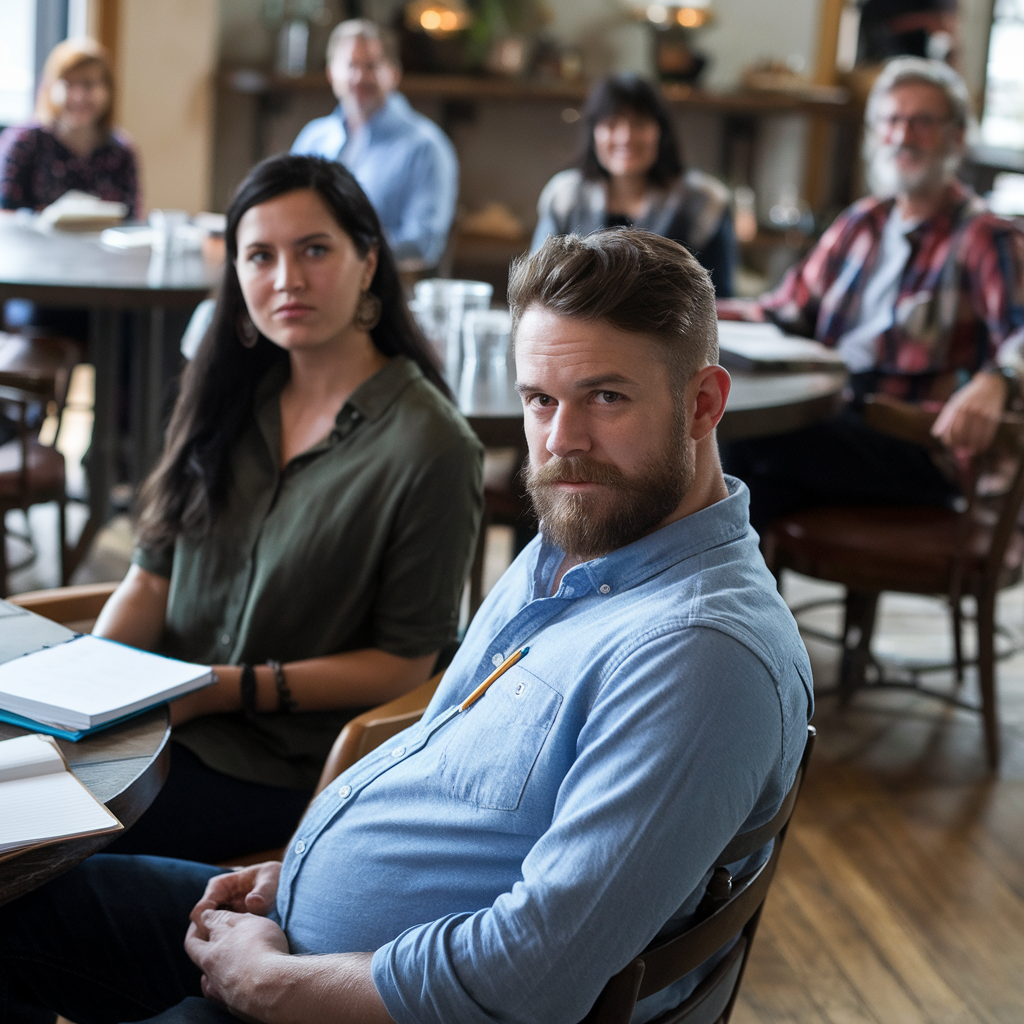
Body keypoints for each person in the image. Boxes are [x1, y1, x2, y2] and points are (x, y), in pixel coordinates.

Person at [0, 228, 812, 1024]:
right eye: (540, 400)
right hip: (305, 941)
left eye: (607, 397)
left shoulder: (700, 656)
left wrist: (272, 984)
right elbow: (458, 782)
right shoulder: (577, 545)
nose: (562, 442)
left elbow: (528, 980)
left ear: (702, 403)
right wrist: (299, 875)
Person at [88, 153, 482, 864]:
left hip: (287, 765)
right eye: (260, 256)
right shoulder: (226, 392)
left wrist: (220, 690)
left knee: (50, 856)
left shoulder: (432, 445)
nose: (287, 279)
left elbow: (404, 664)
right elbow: (148, 581)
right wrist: (90, 689)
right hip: (159, 725)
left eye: (314, 251)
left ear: (368, 262)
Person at [720, 57, 1024, 534]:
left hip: (921, 445)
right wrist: (688, 314)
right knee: (740, 495)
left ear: (957, 137)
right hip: (838, 420)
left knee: (736, 442)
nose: (903, 135)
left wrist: (999, 379)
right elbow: (782, 310)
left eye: (923, 122)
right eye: (891, 120)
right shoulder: (861, 222)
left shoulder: (985, 237)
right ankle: (733, 584)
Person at [532, 73, 736, 296]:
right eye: (611, 123)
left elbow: (720, 297)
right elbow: (538, 288)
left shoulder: (703, 201)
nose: (625, 137)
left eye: (639, 123)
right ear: (593, 132)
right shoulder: (565, 196)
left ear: (661, 131)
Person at [291, 19, 458, 268]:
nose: (359, 77)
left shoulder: (426, 147)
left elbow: (425, 245)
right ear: (331, 72)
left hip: (385, 285)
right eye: (350, 65)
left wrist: (344, 252)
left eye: (371, 66)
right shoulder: (313, 138)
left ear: (394, 73)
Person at [0, 37, 140, 217]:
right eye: (68, 84)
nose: (78, 96)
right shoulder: (25, 142)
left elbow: (131, 219)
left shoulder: (120, 151)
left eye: (88, 84)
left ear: (107, 89)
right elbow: (5, 214)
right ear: (50, 88)